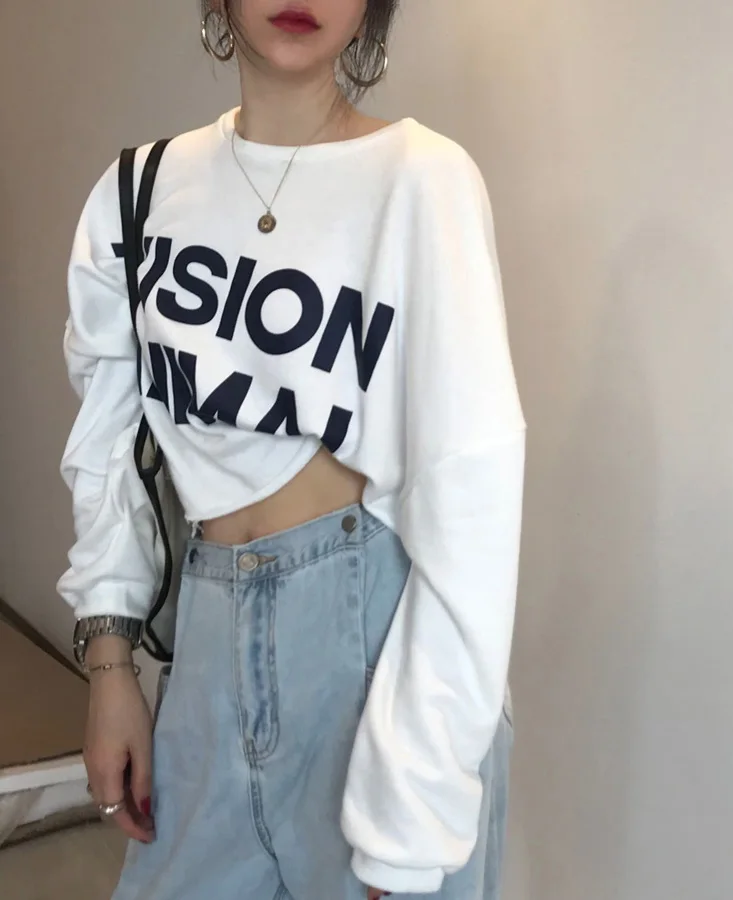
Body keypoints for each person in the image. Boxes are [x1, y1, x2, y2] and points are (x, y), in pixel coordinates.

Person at [57, 1, 526, 898]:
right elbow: (106, 445)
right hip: (205, 638)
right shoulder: (138, 191)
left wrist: (415, 803)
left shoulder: (423, 180)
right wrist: (110, 666)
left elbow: (470, 488)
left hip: (372, 636)